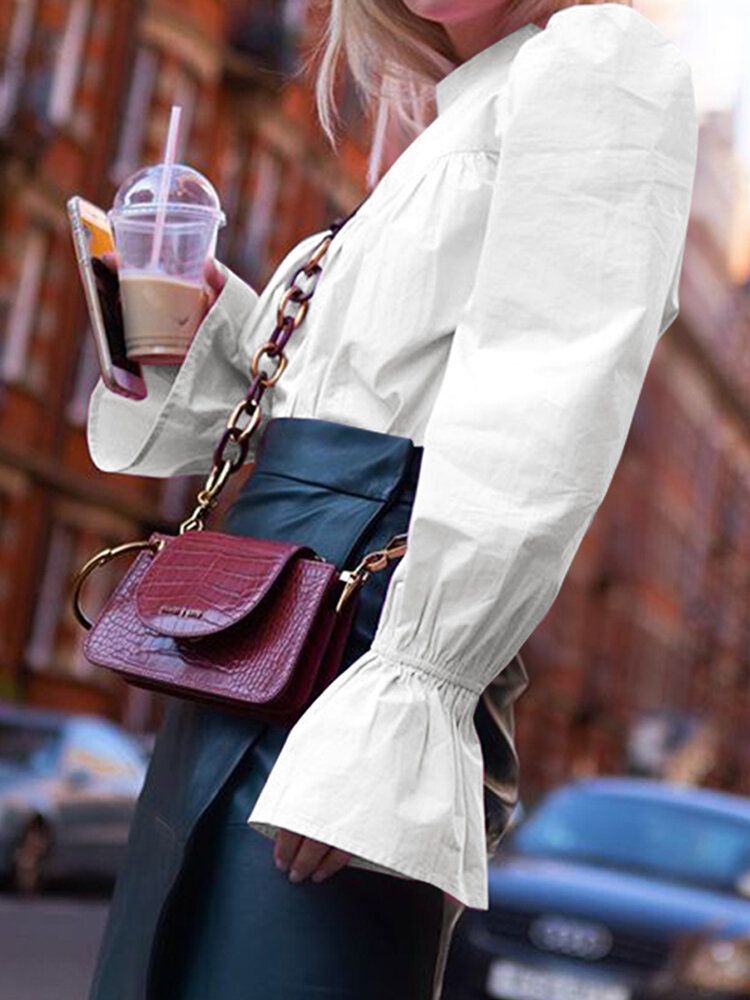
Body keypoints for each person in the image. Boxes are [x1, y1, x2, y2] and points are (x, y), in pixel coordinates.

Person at [85, 1, 698, 998]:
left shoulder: (598, 60)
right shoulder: (455, 116)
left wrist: (412, 690)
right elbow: (338, 404)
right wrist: (200, 323)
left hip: (368, 650)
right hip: (263, 645)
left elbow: (545, 390)